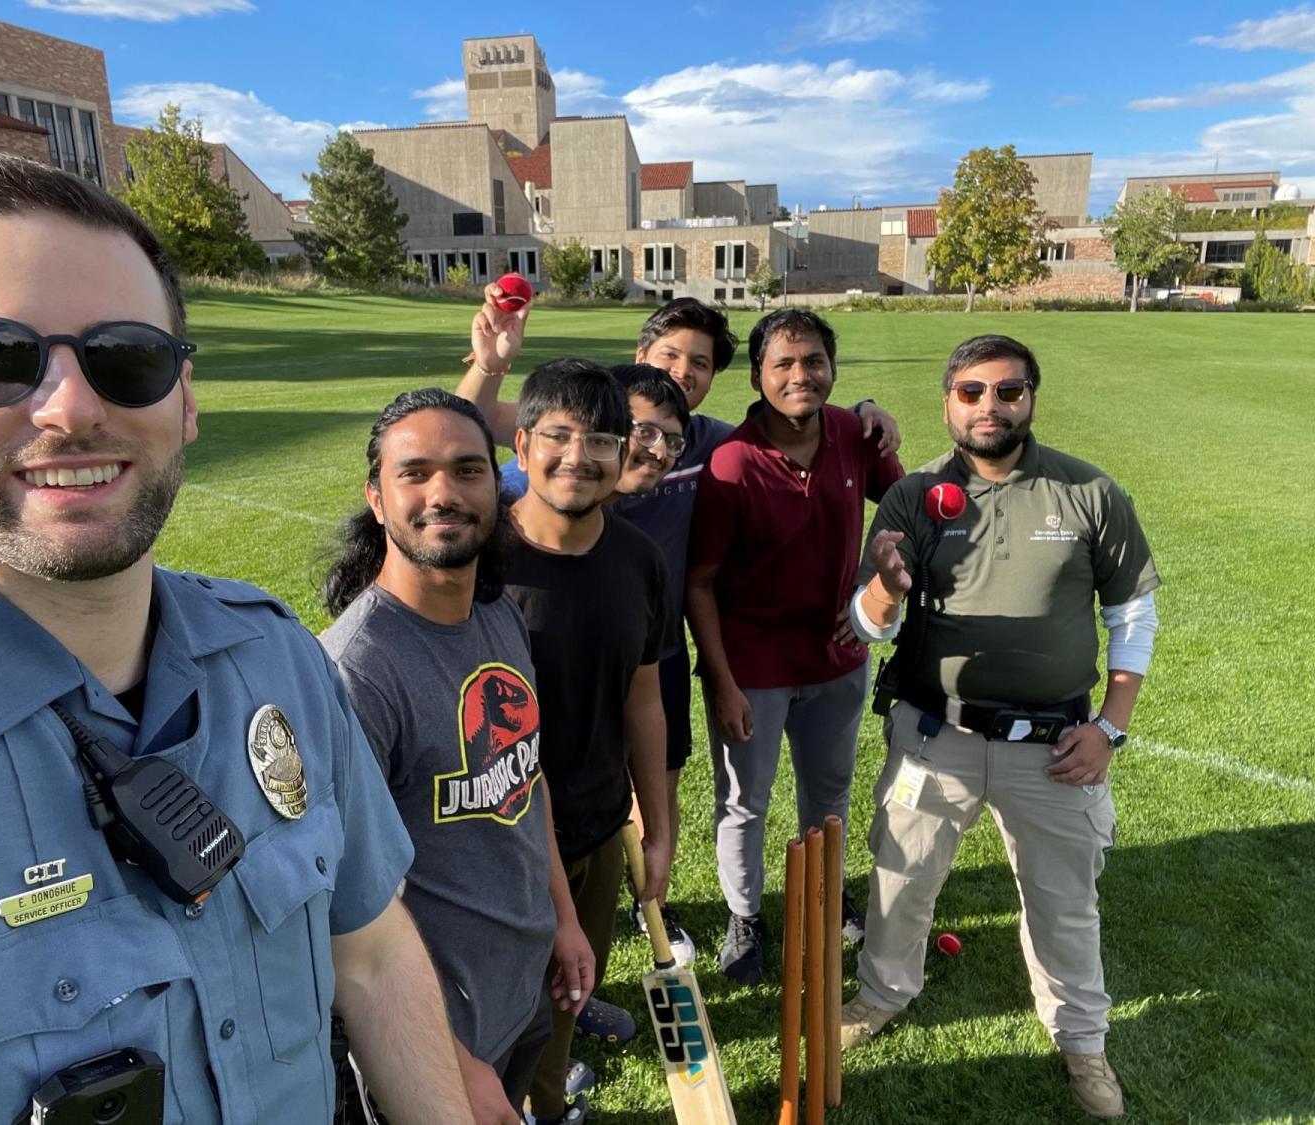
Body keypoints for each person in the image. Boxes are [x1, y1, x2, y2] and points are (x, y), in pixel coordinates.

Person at [0, 152, 470, 1124]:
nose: (69, 407)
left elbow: (372, 949)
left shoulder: (278, 658)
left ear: (183, 400)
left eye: (125, 356)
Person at [462, 297, 902, 967]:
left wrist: (866, 413)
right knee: (536, 796)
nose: (685, 372)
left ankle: (643, 898)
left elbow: (795, 429)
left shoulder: (710, 445)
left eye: (700, 361)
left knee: (640, 788)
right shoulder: (563, 461)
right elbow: (470, 428)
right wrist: (489, 367)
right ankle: (562, 941)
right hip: (544, 656)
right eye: (670, 355)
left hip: (652, 648)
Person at [838, 334, 1161, 1120]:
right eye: (972, 392)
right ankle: (882, 993)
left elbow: (1133, 615)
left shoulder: (1089, 492)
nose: (990, 407)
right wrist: (884, 583)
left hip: (1054, 747)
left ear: (1031, 399)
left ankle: (1081, 1038)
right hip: (932, 735)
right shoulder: (913, 496)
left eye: (1008, 392)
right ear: (948, 400)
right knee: (899, 880)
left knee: (1064, 902)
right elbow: (866, 625)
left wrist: (1110, 730)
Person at [319, 389, 595, 1124]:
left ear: (497, 491)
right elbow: (349, 904)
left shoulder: (499, 614)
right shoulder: (355, 671)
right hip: (433, 1032)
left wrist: (562, 917)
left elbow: (523, 774)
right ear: (377, 499)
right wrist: (454, 1062)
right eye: (416, 472)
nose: (444, 492)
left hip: (519, 983)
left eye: (468, 469)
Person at [685, 308, 905, 985]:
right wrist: (721, 681)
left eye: (813, 361)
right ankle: (745, 915)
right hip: (753, 668)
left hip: (837, 662)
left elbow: (904, 517)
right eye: (783, 363)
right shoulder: (731, 463)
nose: (800, 375)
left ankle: (824, 892)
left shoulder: (852, 432)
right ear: (757, 375)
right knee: (744, 801)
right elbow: (699, 583)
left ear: (833, 370)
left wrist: (868, 595)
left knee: (829, 794)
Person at [501, 359, 675, 1125]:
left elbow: (645, 698)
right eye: (558, 435)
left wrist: (659, 826)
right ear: (521, 443)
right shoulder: (476, 560)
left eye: (600, 438)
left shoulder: (639, 558)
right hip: (495, 839)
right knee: (501, 1009)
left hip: (599, 827)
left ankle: (544, 1104)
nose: (579, 455)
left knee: (570, 991)